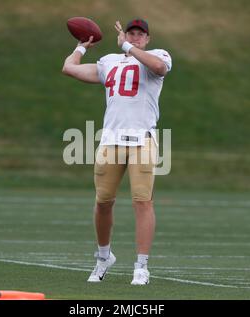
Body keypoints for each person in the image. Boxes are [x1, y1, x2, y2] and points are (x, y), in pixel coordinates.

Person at [62, 18, 172, 285]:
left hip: (142, 140)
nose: (135, 37)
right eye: (131, 33)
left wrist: (128, 47)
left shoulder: (157, 55)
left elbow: (159, 68)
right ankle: (103, 257)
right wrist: (82, 46)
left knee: (142, 202)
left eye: (139, 34)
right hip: (111, 139)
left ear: (148, 38)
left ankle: (142, 266)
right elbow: (69, 68)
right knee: (103, 202)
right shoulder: (109, 61)